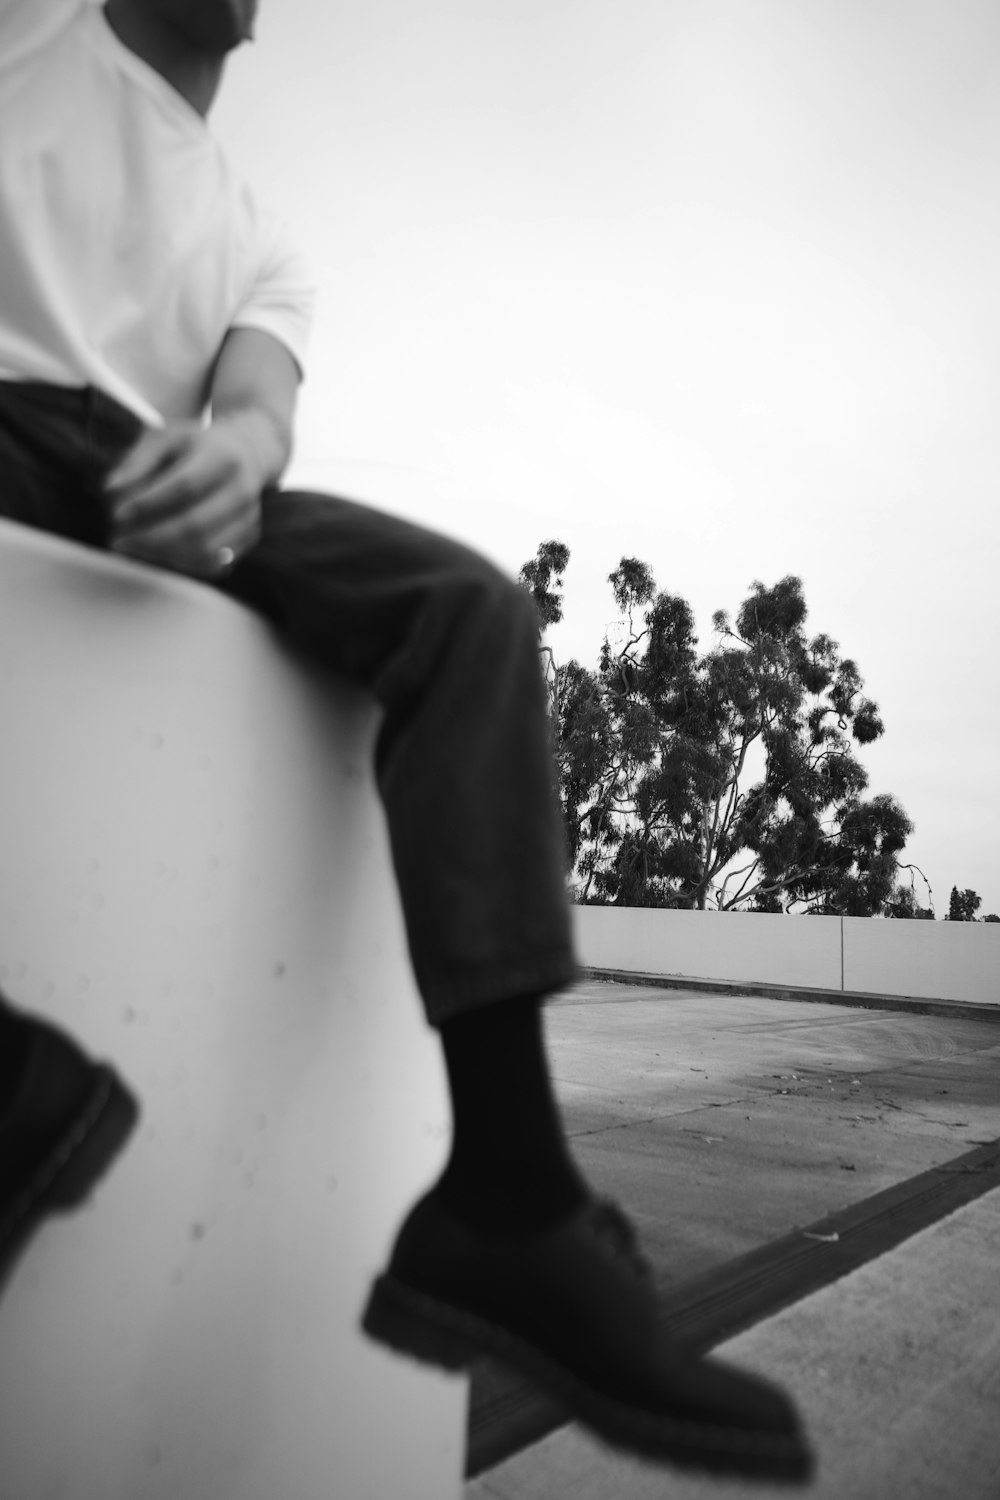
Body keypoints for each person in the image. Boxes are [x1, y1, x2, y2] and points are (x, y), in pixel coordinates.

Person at [0, 0, 813, 1481]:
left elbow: (255, 408)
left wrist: (234, 469)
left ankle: (507, 1199)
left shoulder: (262, 236)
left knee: (475, 611)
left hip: (149, 477)